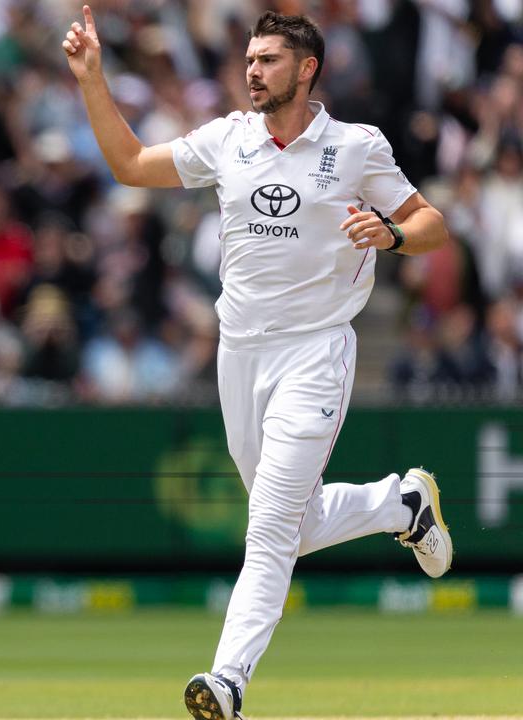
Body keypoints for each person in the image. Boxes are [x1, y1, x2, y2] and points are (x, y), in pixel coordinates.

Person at [62, 8, 452, 719]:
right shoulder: (227, 140)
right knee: (291, 525)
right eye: (249, 58)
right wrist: (93, 79)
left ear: (307, 70)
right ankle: (402, 502)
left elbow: (432, 223)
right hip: (239, 354)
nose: (252, 70)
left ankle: (228, 682)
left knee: (270, 529)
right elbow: (128, 165)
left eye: (269, 59)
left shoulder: (357, 146)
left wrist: (392, 233)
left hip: (317, 350)